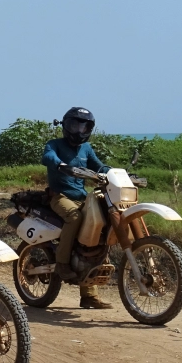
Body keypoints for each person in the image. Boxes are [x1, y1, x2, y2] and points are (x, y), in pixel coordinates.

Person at [41, 107, 113, 310]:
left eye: (84, 126)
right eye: (75, 125)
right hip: (60, 197)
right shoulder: (54, 144)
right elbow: (48, 157)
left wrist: (114, 172)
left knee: (98, 228)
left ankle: (89, 295)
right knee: (74, 218)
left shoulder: (86, 148)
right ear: (65, 125)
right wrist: (60, 165)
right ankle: (62, 263)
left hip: (82, 197)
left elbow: (99, 166)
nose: (79, 130)